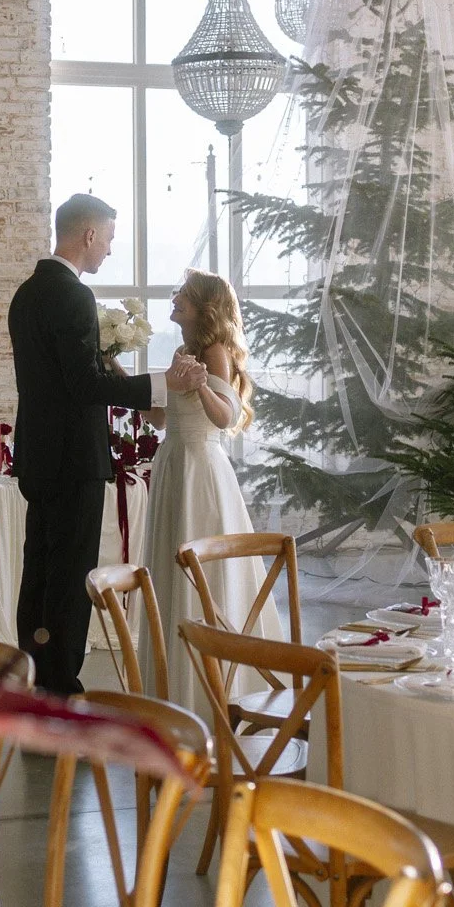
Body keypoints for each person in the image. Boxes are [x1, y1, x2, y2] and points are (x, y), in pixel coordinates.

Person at [9, 194, 204, 695]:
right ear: (89, 234)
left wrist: (107, 367)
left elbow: (60, 380)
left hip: (37, 455)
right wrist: (162, 384)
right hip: (73, 459)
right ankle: (61, 686)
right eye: (110, 238)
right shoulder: (73, 296)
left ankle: (34, 674)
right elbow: (83, 387)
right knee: (70, 577)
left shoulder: (26, 294)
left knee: (39, 571)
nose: (111, 250)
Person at [138, 269, 282, 713]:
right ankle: (173, 687)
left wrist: (200, 385)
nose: (175, 297)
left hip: (201, 468)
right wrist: (129, 381)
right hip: (172, 462)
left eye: (184, 293)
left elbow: (226, 417)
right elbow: (159, 420)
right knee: (169, 565)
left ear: (204, 307)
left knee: (201, 568)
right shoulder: (181, 351)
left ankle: (209, 689)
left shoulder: (215, 351)